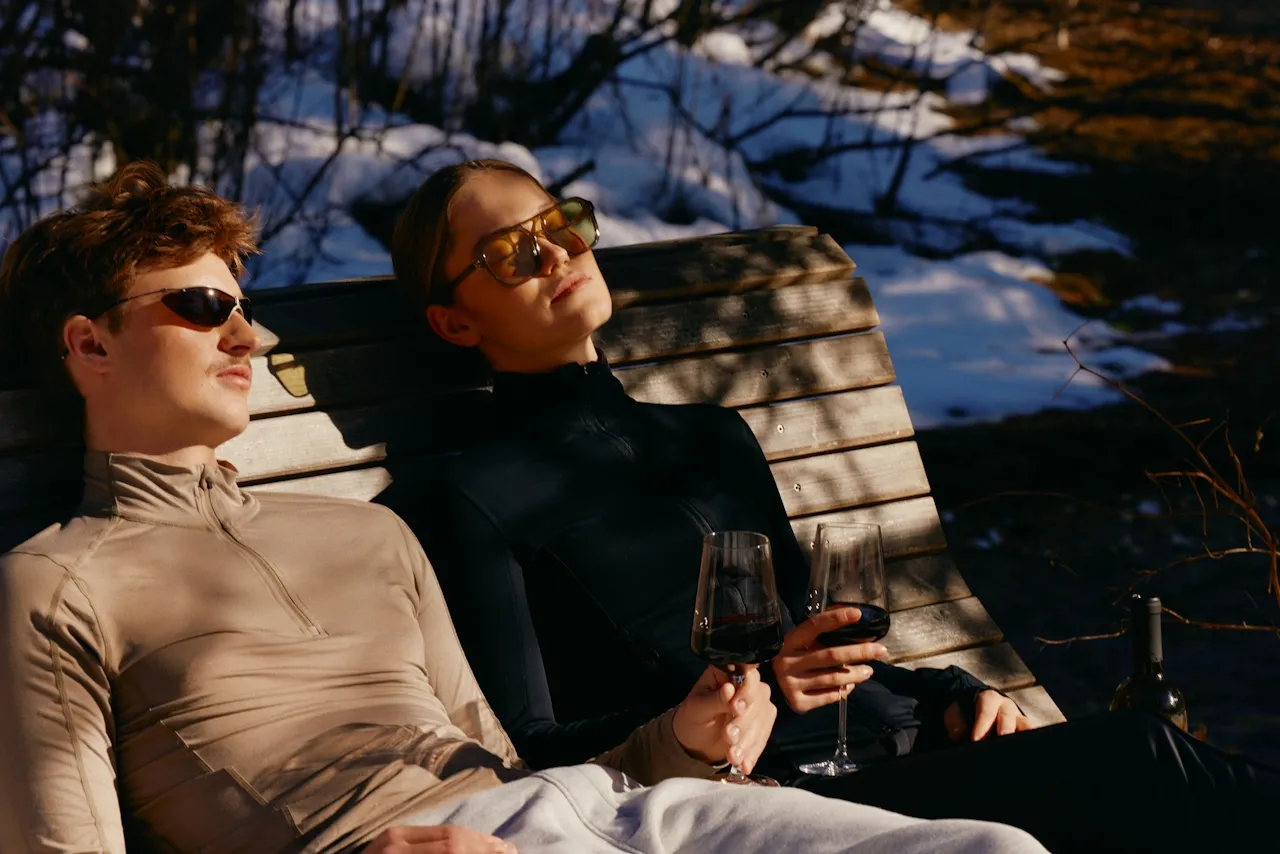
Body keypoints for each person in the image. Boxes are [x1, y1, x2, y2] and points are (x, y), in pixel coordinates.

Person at [0, 162, 1050, 854]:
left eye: (244, 306)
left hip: (610, 812)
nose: (248, 336)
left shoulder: (366, 531)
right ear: (89, 344)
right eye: (201, 307)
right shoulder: (55, 581)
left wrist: (674, 739)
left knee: (997, 847)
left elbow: (507, 756)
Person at [385, 157, 1280, 854]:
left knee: (1142, 778)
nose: (561, 254)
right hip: (764, 805)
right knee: (1136, 761)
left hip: (907, 746)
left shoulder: (709, 437)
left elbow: (822, 647)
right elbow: (536, 746)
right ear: (455, 323)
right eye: (513, 253)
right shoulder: (469, 499)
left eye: (563, 224)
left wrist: (955, 687)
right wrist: (740, 695)